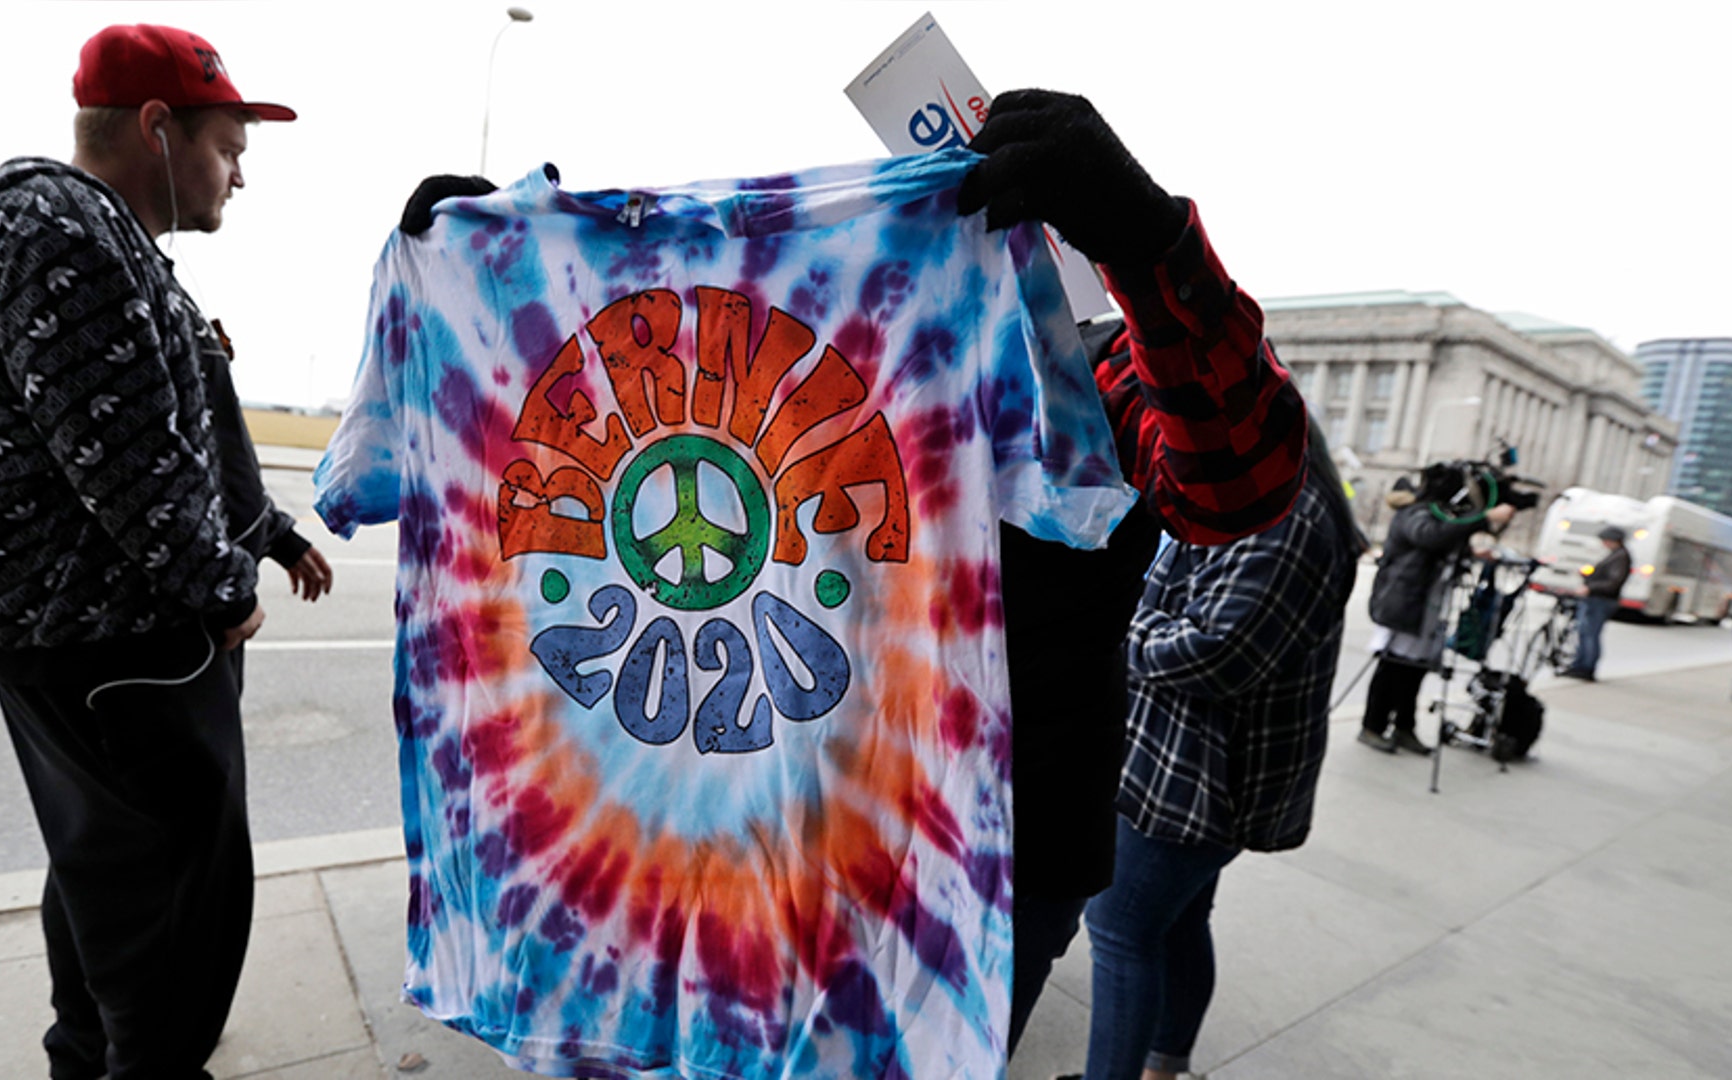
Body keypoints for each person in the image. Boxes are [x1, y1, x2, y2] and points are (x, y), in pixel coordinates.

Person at [395, 89, 1311, 1053]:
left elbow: (1240, 484)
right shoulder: (870, 326)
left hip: (995, 840)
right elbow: (681, 413)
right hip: (796, 820)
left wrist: (1147, 236)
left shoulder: (1108, 361)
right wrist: (491, 271)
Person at [0, 24, 297, 1079]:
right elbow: (126, 457)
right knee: (171, 903)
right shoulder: (59, 228)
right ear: (157, 126)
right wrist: (221, 586)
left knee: (109, 875)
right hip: (108, 639)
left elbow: (184, 427)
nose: (239, 178)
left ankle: (89, 1053)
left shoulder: (103, 240)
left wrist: (266, 533)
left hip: (89, 634)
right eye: (229, 148)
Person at [1075, 440, 1362, 1080]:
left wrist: (1118, 630)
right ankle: (1164, 1064)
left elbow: (1217, 653)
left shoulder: (1285, 511)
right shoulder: (1253, 492)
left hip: (1204, 775)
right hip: (1187, 760)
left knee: (1120, 929)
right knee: (1177, 922)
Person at [1358, 470, 1518, 753]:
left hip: (1424, 605)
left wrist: (1470, 553)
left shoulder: (1434, 514)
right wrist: (1484, 519)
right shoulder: (1416, 513)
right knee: (1393, 667)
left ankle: (1404, 727)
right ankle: (1372, 726)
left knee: (1415, 670)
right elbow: (1428, 536)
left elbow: (1441, 543)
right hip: (1404, 601)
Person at [1562, 524, 1631, 681]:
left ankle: (1586, 667)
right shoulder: (1616, 555)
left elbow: (1614, 581)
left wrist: (1591, 588)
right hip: (1598, 598)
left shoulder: (1620, 556)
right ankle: (1579, 664)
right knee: (1585, 633)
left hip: (1601, 599)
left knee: (1590, 634)